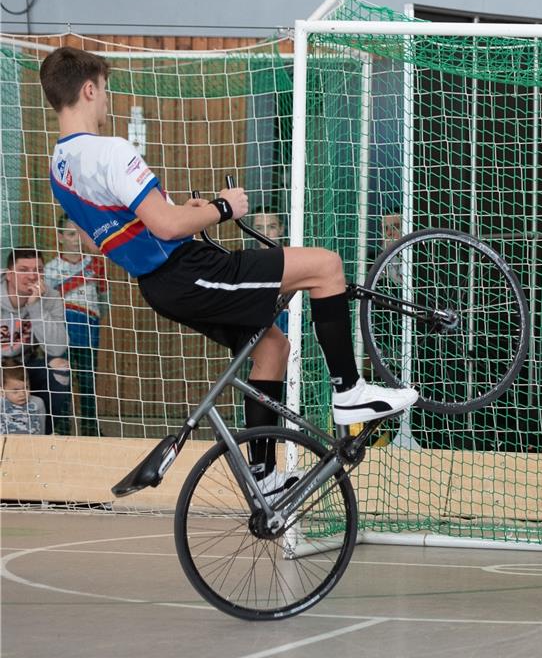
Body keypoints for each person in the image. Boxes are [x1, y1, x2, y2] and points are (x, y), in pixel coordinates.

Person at [40, 46, 418, 493]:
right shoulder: (109, 151)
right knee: (326, 266)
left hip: (163, 282)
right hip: (187, 269)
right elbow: (164, 224)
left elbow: (102, 236)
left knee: (272, 348)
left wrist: (185, 214)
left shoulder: (58, 167)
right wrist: (222, 207)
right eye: (104, 90)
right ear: (88, 89)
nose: (106, 100)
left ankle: (264, 475)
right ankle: (350, 394)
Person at [44, 214, 108, 436]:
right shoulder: (50, 269)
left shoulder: (96, 265)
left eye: (80, 234)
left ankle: (90, 428)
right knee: (61, 382)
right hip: (60, 335)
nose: (76, 240)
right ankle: (61, 428)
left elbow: (103, 301)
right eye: (70, 234)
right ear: (60, 237)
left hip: (88, 334)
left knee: (88, 383)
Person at [0, 249, 73, 435]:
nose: (32, 276)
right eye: (24, 269)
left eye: (38, 269)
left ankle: (44, 436)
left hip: (24, 364)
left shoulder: (51, 297)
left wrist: (35, 307)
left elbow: (57, 348)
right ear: (9, 275)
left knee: (60, 369)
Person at [1, 363, 46, 435]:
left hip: (32, 443)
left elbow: (42, 430)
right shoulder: (1, 404)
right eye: (15, 391)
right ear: (2, 391)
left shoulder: (37, 403)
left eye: (26, 387)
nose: (22, 394)